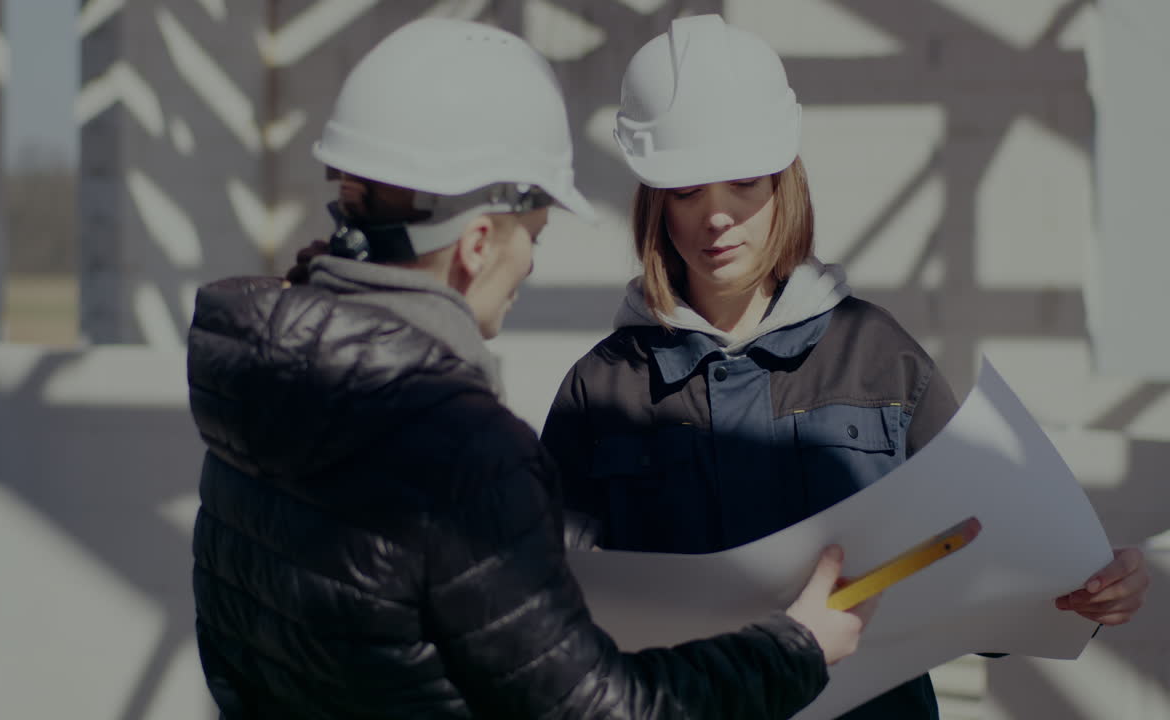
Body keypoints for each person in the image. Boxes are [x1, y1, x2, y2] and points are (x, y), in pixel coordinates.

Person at [187, 17, 876, 720]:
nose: (531, 264)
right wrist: (796, 649)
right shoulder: (464, 452)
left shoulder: (254, 403)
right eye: (535, 236)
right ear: (478, 244)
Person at [540, 14, 1150, 720]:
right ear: (655, 205)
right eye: (686, 191)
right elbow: (544, 611)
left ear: (784, 181)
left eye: (743, 181)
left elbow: (988, 569)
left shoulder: (879, 360)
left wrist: (1087, 590)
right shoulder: (602, 391)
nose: (717, 217)